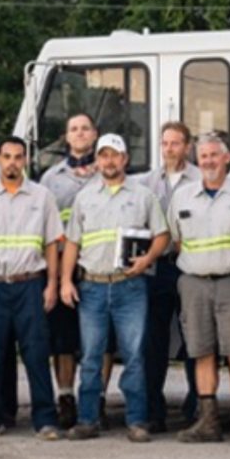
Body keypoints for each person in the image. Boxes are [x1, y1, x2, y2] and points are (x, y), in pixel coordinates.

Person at [61, 133, 169, 442]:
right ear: (97, 160)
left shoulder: (143, 195)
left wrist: (147, 258)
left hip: (130, 286)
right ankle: (87, 420)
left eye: (115, 155)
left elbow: (161, 235)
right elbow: (72, 242)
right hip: (92, 286)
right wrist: (66, 281)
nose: (109, 161)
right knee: (92, 356)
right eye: (103, 155)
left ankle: (136, 421)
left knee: (135, 357)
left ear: (125, 159)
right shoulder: (85, 197)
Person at [0, 136, 65, 439]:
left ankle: (45, 420)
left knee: (36, 354)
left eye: (18, 157)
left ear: (25, 160)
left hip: (30, 284)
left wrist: (51, 286)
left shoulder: (42, 197)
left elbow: (51, 245)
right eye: (6, 157)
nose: (12, 163)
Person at [167, 132, 230, 445]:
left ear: (227, 158)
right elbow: (177, 241)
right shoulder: (182, 196)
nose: (208, 161)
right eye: (203, 156)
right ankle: (208, 423)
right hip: (193, 283)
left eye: (214, 155)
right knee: (201, 352)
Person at [137, 121, 200, 433]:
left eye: (176, 143)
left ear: (187, 146)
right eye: (165, 143)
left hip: (189, 265)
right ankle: (152, 409)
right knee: (154, 340)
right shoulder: (146, 182)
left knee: (194, 338)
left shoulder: (201, 179)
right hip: (157, 267)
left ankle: (197, 407)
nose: (170, 149)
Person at [39, 112, 100, 427]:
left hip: (98, 266)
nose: (80, 133)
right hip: (64, 265)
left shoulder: (108, 172)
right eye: (74, 129)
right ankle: (65, 397)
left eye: (85, 128)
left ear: (95, 135)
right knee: (62, 339)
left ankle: (96, 398)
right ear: (66, 136)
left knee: (98, 339)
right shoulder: (51, 178)